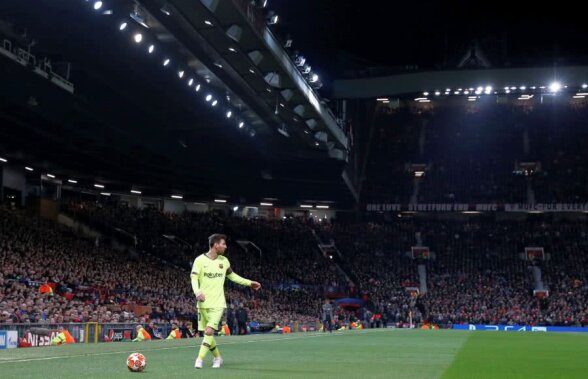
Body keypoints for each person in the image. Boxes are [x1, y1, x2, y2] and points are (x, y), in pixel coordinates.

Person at [191, 234, 261, 369]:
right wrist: (197, 292)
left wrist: (249, 283)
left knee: (209, 331)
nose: (225, 246)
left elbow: (232, 276)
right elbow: (193, 278)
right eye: (223, 244)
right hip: (203, 303)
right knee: (207, 332)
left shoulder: (224, 261)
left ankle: (199, 360)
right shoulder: (199, 260)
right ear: (215, 245)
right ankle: (218, 358)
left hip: (218, 303)